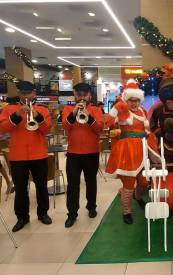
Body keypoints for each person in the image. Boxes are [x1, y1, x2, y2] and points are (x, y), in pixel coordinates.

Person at [105, 79, 160, 224]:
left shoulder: (142, 111)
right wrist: (117, 106)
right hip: (127, 152)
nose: (133, 103)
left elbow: (146, 130)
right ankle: (126, 212)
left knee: (143, 183)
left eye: (136, 100)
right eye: (130, 100)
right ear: (126, 99)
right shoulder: (122, 110)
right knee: (128, 184)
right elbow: (108, 122)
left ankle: (138, 196)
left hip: (142, 151)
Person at [0, 81, 52, 232]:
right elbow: (3, 128)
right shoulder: (9, 109)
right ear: (19, 94)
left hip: (39, 154)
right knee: (21, 189)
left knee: (42, 187)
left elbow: (47, 130)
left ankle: (43, 213)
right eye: (22, 93)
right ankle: (22, 217)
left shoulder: (42, 109)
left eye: (28, 93)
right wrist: (17, 114)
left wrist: (36, 116)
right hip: (18, 156)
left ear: (34, 93)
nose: (25, 96)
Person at [62, 83, 104, 228]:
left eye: (84, 95)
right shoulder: (68, 109)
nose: (81, 98)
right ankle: (72, 214)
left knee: (91, 181)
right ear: (75, 95)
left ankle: (91, 207)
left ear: (89, 96)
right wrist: (74, 113)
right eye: (78, 95)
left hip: (91, 152)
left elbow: (99, 128)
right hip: (73, 153)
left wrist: (89, 115)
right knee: (72, 185)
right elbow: (65, 127)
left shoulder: (96, 110)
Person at [149, 76, 173, 164]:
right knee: (163, 156)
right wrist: (158, 131)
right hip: (162, 138)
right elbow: (152, 123)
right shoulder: (159, 109)